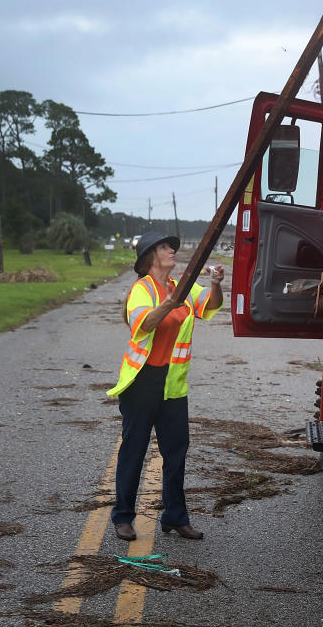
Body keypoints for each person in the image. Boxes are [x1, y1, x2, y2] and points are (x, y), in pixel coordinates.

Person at [106, 231, 224, 541]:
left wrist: (216, 283)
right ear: (149, 257)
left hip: (173, 385)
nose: (171, 250)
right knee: (134, 450)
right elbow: (143, 324)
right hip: (142, 383)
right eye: (163, 246)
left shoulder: (180, 287)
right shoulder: (142, 290)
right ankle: (122, 517)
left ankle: (175, 516)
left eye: (171, 246)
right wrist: (171, 303)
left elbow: (210, 305)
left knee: (176, 452)